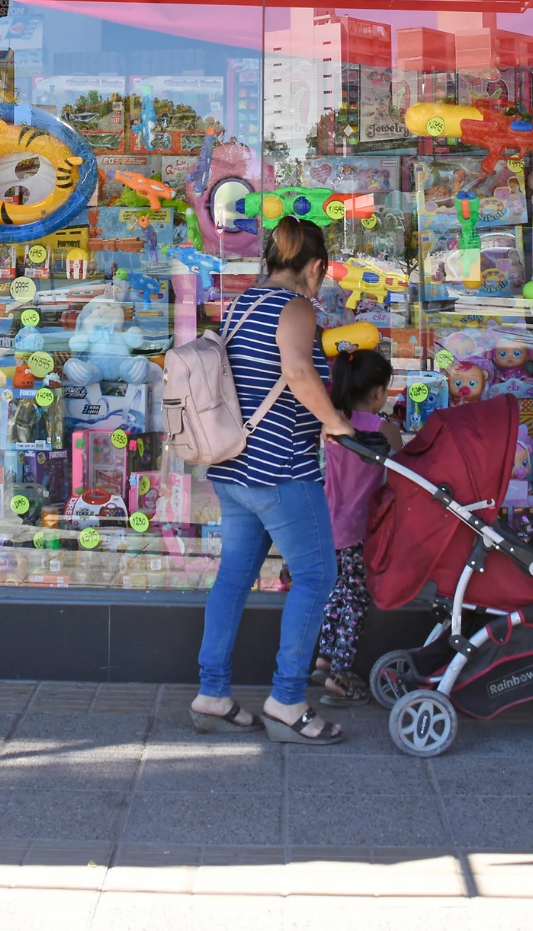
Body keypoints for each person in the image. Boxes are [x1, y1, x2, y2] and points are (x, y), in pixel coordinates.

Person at [190, 217, 357, 745]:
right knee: (316, 577)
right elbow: (300, 373)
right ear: (315, 266)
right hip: (281, 470)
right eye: (321, 273)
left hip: (234, 469)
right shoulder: (296, 307)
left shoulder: (243, 304)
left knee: (233, 580)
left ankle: (212, 696)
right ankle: (287, 700)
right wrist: (337, 424)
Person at [310, 348, 403, 707]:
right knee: (358, 599)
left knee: (338, 591)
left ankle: (324, 657)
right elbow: (404, 465)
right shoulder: (384, 429)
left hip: (329, 521)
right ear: (378, 393)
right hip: (361, 527)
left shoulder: (332, 424)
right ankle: (341, 675)